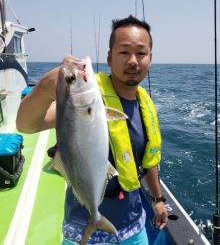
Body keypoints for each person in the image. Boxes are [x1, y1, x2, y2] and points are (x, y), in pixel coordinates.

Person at [16, 15, 168, 245]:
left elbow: (148, 160)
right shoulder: (84, 97)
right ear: (109, 57)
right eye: (124, 52)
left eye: (141, 53)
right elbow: (26, 124)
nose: (133, 61)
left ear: (150, 58)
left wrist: (157, 199)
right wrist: (51, 84)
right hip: (82, 228)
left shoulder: (144, 103)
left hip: (134, 225)